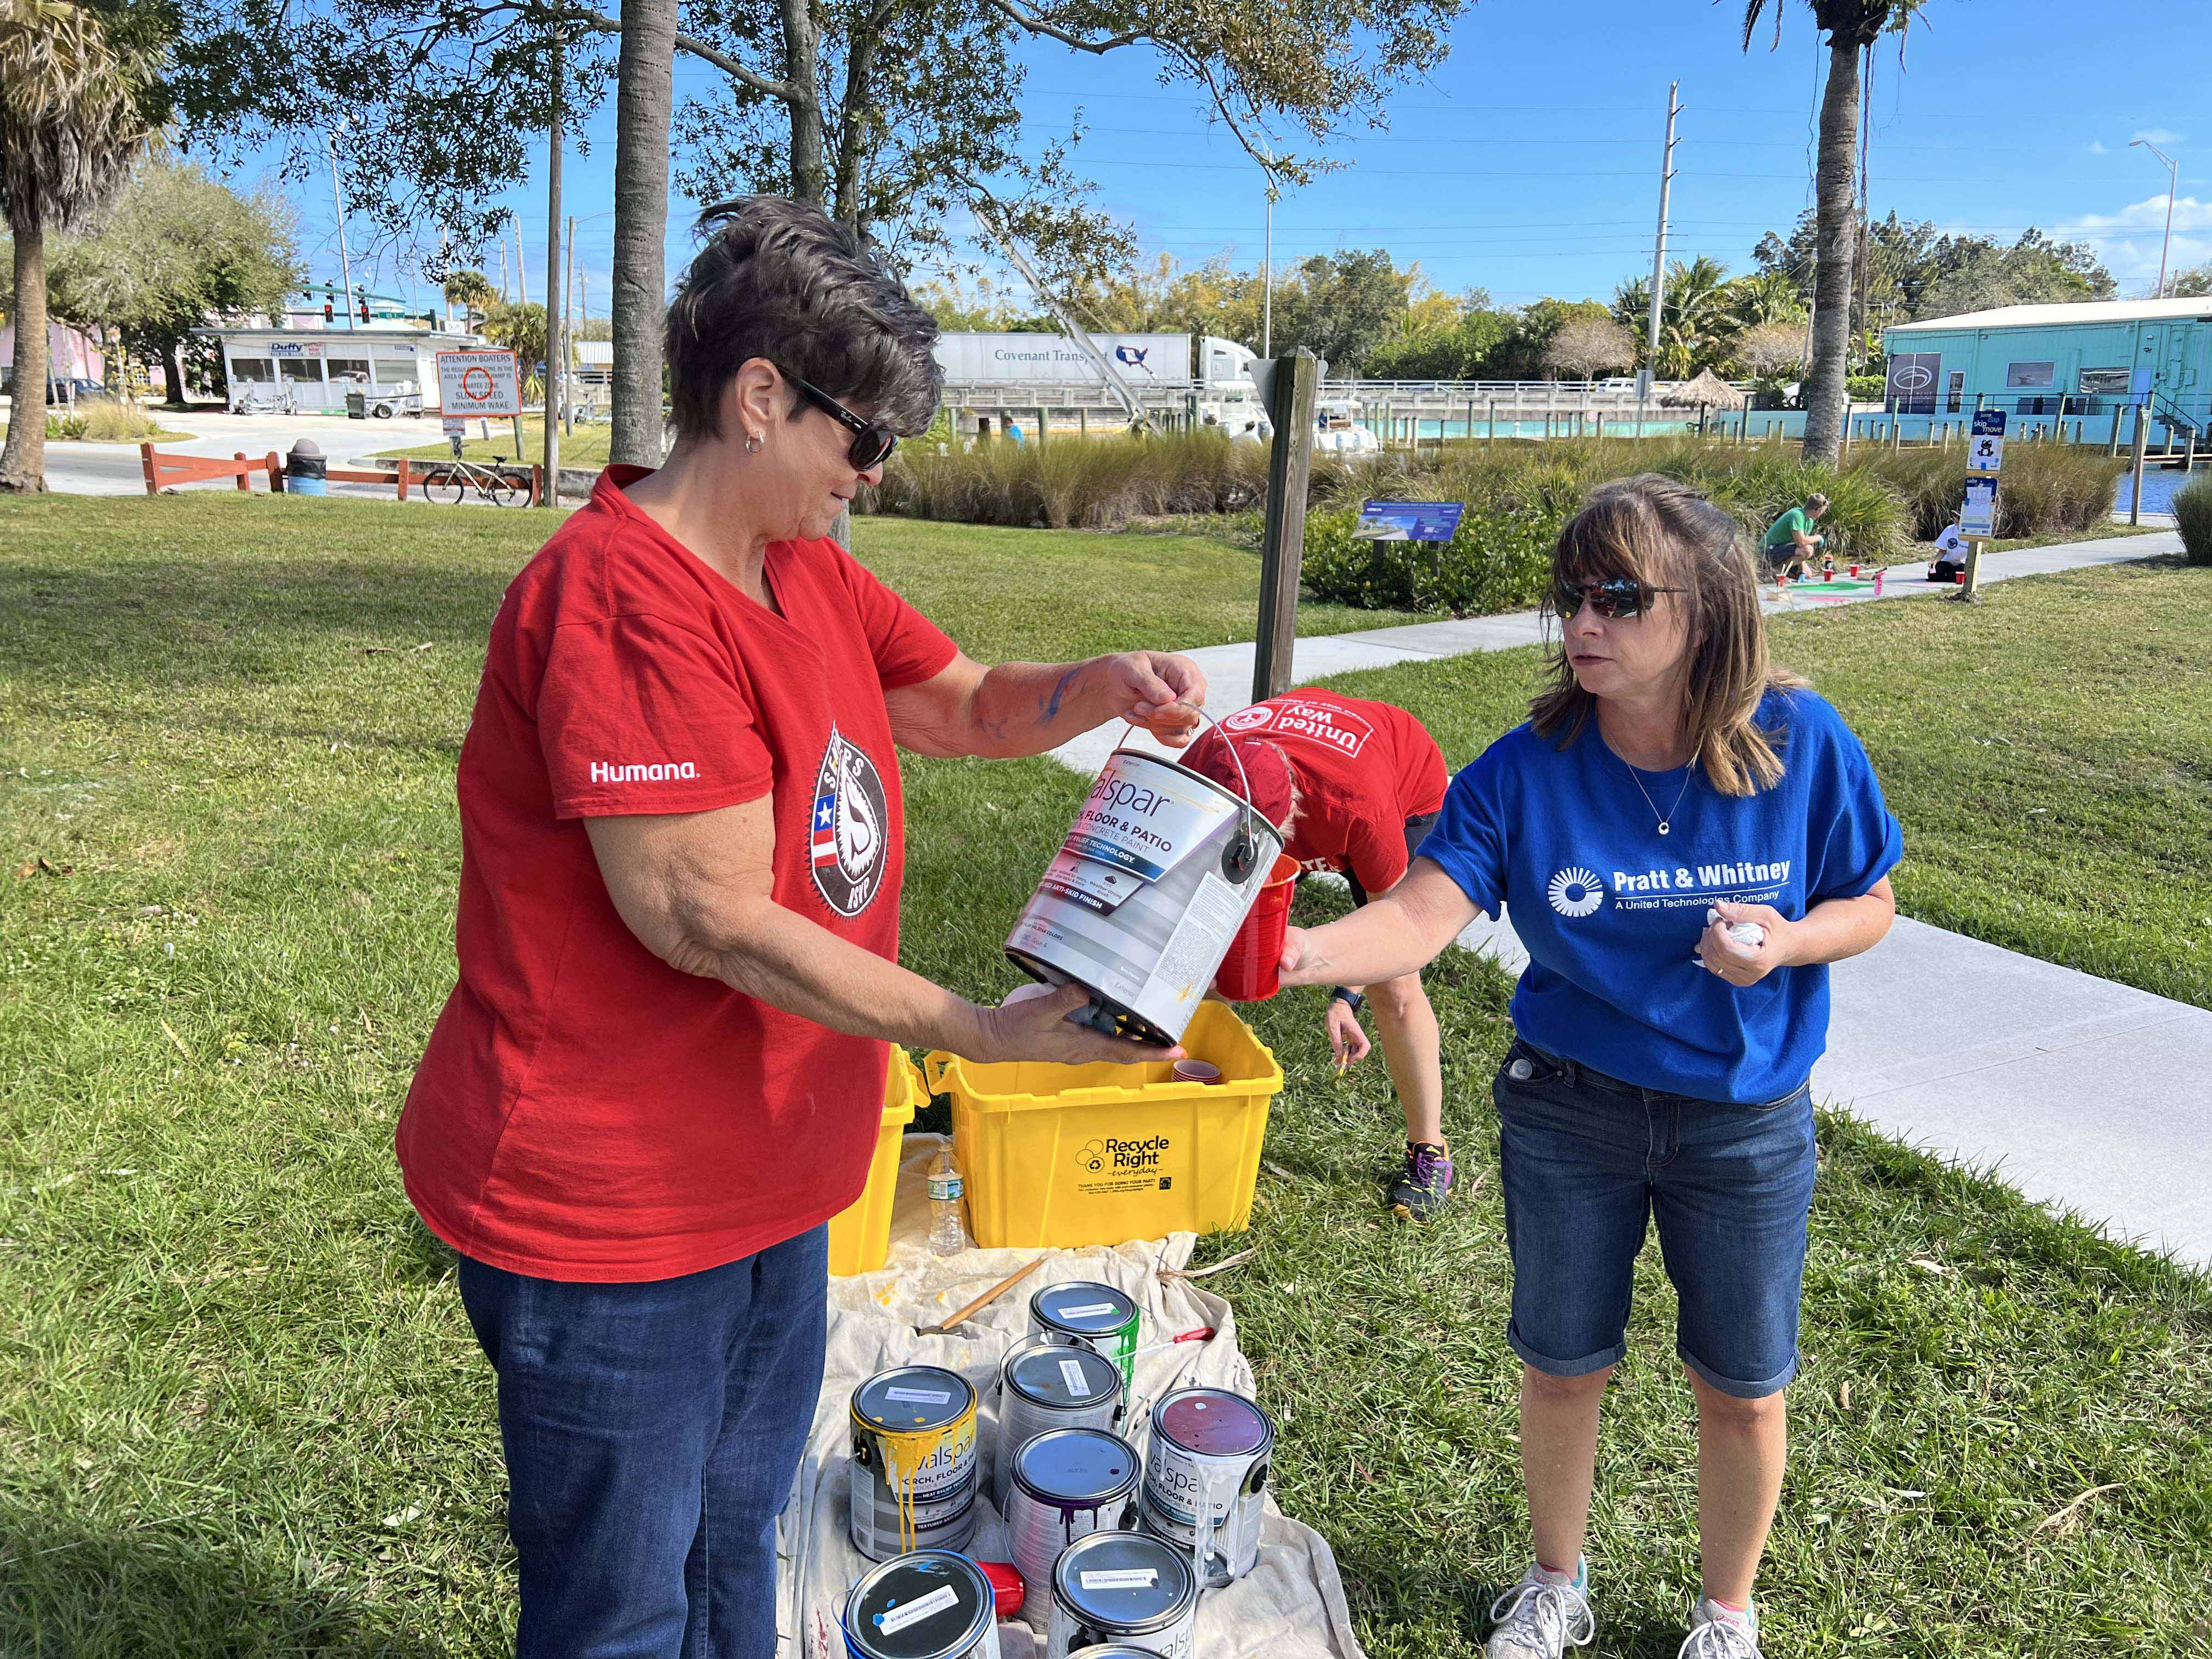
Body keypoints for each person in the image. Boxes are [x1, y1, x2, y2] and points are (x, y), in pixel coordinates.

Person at [395, 196, 1207, 1659]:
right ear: (760, 400)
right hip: (615, 1215)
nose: (875, 475)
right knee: (622, 1606)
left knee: (739, 1541)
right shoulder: (621, 599)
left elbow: (955, 701)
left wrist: (1100, 682)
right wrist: (969, 1032)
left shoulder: (804, 564)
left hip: (770, 1181)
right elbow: (705, 919)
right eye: (866, 438)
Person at [1276, 475, 1902, 1659]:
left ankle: (1728, 1616)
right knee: (1562, 1367)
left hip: (1745, 1120)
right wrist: (1296, 950)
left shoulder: (1800, 743)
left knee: (1746, 1386)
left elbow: (1867, 899)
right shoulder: (1524, 769)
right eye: (1571, 595)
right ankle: (1553, 1586)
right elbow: (1417, 914)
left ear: (1707, 613)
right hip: (1571, 1113)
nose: (1583, 624)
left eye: (1618, 596)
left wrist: (1790, 943)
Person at [1183, 689, 1454, 1217]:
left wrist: (1345, 993)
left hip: (1405, 777)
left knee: (1394, 986)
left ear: (1292, 814)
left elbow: (1397, 934)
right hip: (1306, 756)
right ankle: (1178, 1094)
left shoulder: (1354, 806)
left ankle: (1430, 1150)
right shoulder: (1196, 765)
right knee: (1201, 949)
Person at [1760, 492, 1828, 586]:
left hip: (1782, 551)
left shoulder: (1810, 521)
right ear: (1818, 509)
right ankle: (1775, 572)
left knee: (1808, 574)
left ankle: (1782, 572)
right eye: (1823, 511)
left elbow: (1799, 546)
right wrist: (1818, 537)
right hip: (1766, 552)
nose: (1823, 513)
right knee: (1808, 550)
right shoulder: (1797, 515)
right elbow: (1801, 542)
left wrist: (1802, 571)